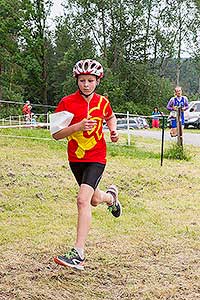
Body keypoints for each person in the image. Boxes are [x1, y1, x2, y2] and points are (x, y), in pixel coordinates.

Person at [51, 59, 122, 271]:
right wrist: (77, 127)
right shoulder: (66, 103)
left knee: (82, 200)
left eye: (91, 80)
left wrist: (113, 130)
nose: (86, 84)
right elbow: (56, 134)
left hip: (97, 156)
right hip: (76, 158)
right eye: (82, 80)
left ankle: (78, 253)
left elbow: (110, 117)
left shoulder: (103, 102)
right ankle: (110, 198)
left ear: (97, 81)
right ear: (77, 80)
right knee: (92, 199)